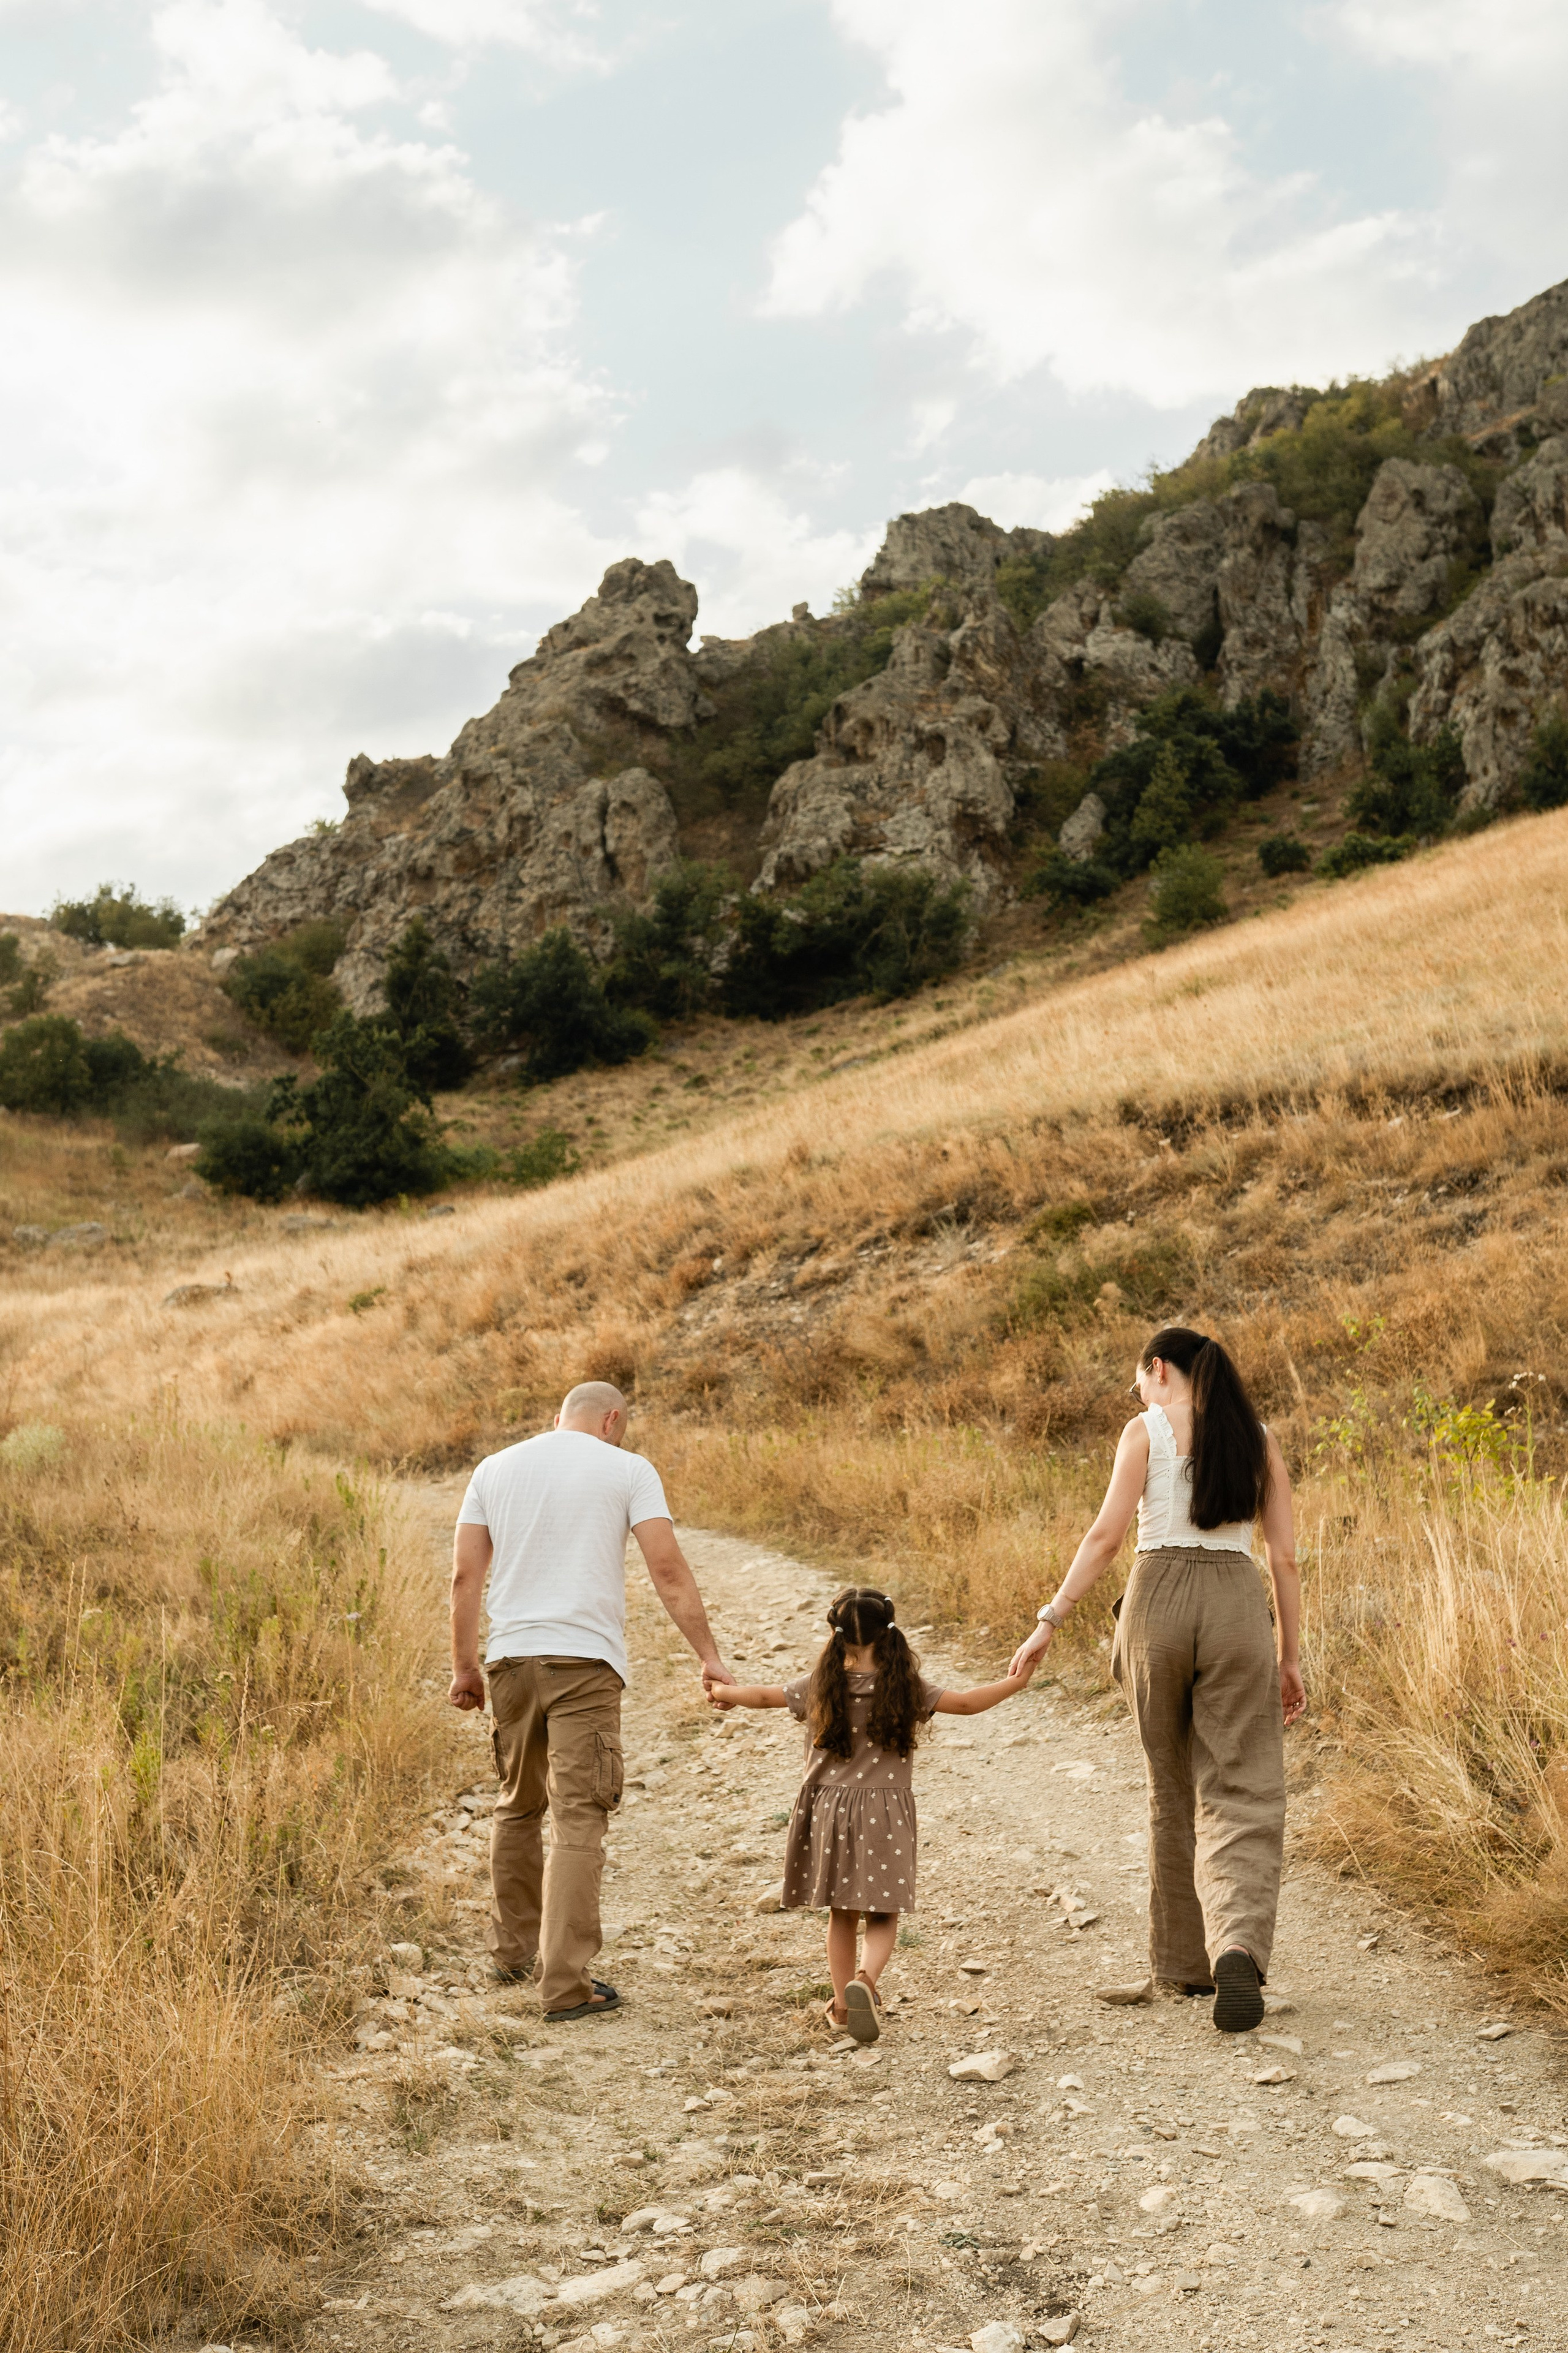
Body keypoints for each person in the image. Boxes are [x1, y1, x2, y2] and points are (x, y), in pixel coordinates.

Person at [1008, 1327, 1303, 2033]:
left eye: (1137, 1378)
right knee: (1243, 1786)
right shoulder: (1258, 1438)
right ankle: (1235, 1943)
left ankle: (1183, 1962)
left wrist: (1050, 1619)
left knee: (1169, 1783)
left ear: (1158, 1368)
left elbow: (1105, 1538)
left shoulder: (1143, 1431)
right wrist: (1290, 1656)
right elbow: (1285, 1558)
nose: (1136, 1391)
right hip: (1236, 1601)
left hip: (1155, 1601)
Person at [449, 1380, 733, 2021]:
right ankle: (565, 1985)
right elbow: (666, 1567)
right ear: (611, 1420)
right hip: (585, 1663)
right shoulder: (628, 1468)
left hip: (511, 1660)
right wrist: (708, 1656)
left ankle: (512, 1951)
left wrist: (466, 1666)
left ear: (558, 1418)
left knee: (517, 1805)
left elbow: (467, 1575)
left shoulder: (493, 1468)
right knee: (578, 1817)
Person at [710, 1585, 1036, 2043]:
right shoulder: (905, 1687)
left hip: (829, 1809)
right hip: (885, 1811)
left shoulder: (820, 1685)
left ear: (835, 1634)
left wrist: (723, 1690)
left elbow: (765, 1696)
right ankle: (866, 1980)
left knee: (842, 1914)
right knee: (882, 1912)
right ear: (889, 1633)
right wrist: (1016, 1682)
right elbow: (967, 1702)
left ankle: (843, 2007)